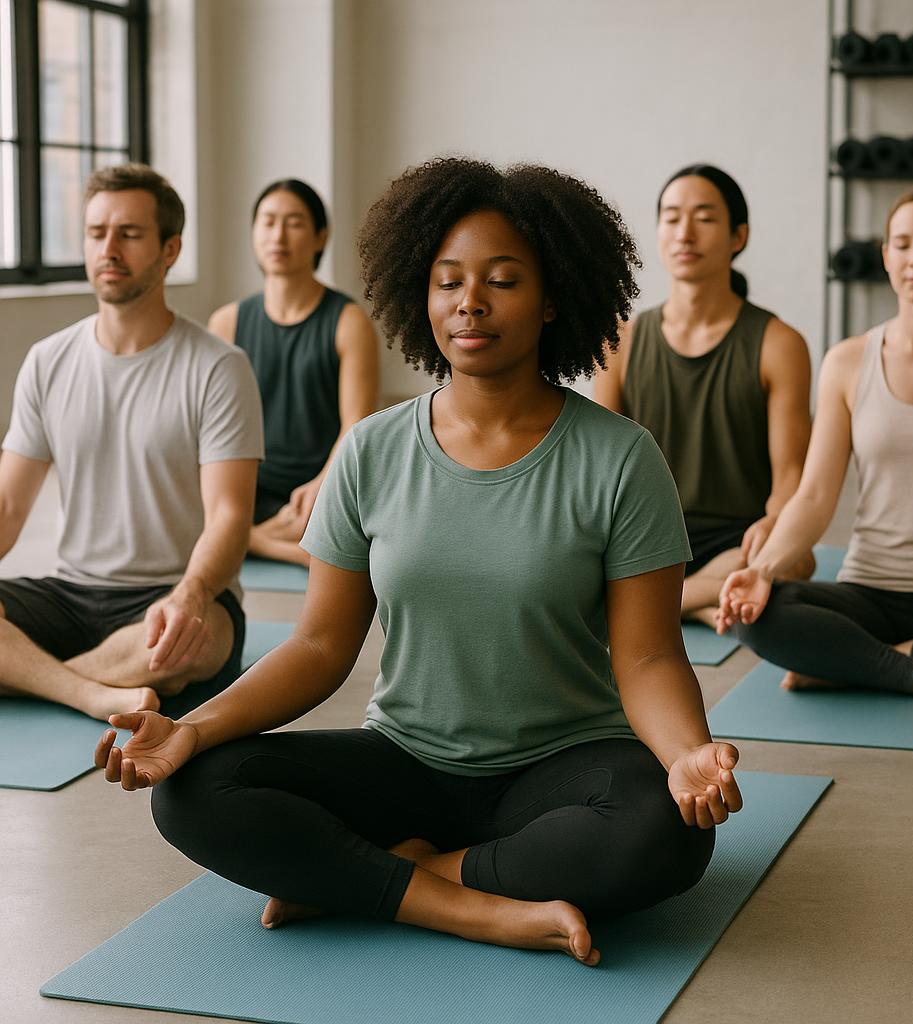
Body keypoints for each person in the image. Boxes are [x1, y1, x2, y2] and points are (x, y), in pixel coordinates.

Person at [96, 158, 743, 966]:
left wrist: (686, 755)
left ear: (552, 299)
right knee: (191, 792)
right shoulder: (371, 449)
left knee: (666, 833)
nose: (470, 301)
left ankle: (396, 876)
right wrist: (188, 730)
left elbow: (647, 655)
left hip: (563, 764)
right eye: (448, 281)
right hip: (407, 760)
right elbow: (318, 648)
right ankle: (475, 909)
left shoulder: (619, 458)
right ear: (419, 294)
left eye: (502, 280)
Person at [717, 184, 913, 713]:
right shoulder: (847, 362)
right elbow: (814, 496)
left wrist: (842, 659)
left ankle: (849, 666)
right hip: (868, 591)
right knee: (760, 614)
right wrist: (762, 571)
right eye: (902, 244)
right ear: (885, 256)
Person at [0, 164, 264, 721]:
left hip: (172, 595)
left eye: (130, 234)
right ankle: (90, 690)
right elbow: (8, 503)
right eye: (97, 233)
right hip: (70, 592)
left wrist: (191, 594)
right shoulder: (48, 361)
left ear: (170, 250)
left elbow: (229, 516)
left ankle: (34, 672)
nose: (109, 249)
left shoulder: (219, 367)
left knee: (193, 642)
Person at [594, 165, 814, 627]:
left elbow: (790, 477)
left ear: (738, 236)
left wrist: (774, 532)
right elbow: (598, 470)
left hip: (739, 542)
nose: (685, 233)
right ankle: (707, 600)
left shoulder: (779, 343)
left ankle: (669, 604)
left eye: (705, 218)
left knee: (796, 562)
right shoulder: (620, 342)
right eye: (672, 218)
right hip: (647, 537)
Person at [208, 179, 378, 566]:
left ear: (321, 237)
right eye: (267, 222)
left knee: (357, 519)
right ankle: (278, 546)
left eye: (294, 223)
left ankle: (246, 539)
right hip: (248, 486)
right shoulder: (227, 323)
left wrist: (321, 485)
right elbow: (208, 429)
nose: (278, 235)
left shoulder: (348, 321)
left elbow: (357, 425)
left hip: (321, 486)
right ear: (253, 234)